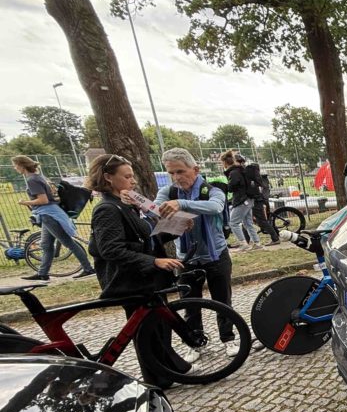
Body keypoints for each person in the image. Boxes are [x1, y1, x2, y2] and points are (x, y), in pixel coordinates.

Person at [86, 153, 188, 387]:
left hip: (147, 279)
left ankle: (167, 373)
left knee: (158, 327)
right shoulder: (108, 209)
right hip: (132, 280)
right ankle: (157, 378)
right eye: (127, 176)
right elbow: (111, 249)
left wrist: (177, 228)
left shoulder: (125, 204)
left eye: (133, 176)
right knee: (146, 331)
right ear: (108, 178)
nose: (133, 181)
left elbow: (146, 238)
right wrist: (153, 262)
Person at [154, 148, 241, 358]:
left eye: (181, 171)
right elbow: (155, 210)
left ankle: (228, 339)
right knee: (190, 305)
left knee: (222, 301)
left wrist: (182, 205)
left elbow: (215, 207)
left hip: (216, 255)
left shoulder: (212, 189)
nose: (176, 177)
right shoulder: (168, 192)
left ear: (195, 169)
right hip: (186, 258)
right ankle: (196, 343)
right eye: (171, 173)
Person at [11, 155, 95, 281]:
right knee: (46, 244)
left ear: (22, 165)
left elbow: (43, 200)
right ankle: (43, 273)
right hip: (51, 213)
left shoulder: (32, 180)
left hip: (49, 214)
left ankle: (88, 269)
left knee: (68, 242)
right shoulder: (39, 176)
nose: (14, 167)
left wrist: (25, 202)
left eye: (15, 165)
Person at [220, 151, 261, 251]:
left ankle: (243, 244)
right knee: (248, 223)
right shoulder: (241, 170)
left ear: (225, 162)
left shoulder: (234, 172)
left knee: (233, 223)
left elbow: (231, 187)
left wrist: (226, 186)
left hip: (242, 200)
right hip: (249, 199)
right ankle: (257, 243)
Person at [240, 154, 279, 244]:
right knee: (247, 220)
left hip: (255, 201)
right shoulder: (257, 178)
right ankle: (246, 241)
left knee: (260, 221)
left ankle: (275, 238)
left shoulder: (252, 178)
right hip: (257, 200)